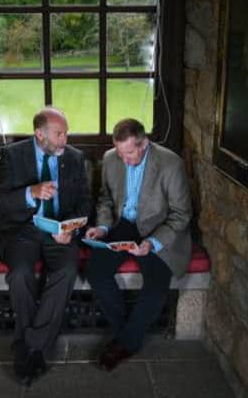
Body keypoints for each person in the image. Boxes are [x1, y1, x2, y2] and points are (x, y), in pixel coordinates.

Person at [0, 107, 91, 385]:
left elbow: (83, 202)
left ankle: (29, 346)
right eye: (59, 134)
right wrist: (31, 193)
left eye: (66, 133)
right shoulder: (13, 155)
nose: (64, 139)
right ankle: (37, 347)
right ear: (39, 133)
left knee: (67, 272)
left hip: (59, 232)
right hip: (23, 230)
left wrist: (70, 228)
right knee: (20, 274)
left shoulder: (74, 158)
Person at [85, 118, 192, 371]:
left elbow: (181, 214)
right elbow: (106, 199)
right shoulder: (111, 158)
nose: (124, 159)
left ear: (144, 144)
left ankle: (123, 343)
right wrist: (102, 227)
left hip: (159, 228)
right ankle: (129, 334)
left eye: (130, 153)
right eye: (120, 152)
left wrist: (152, 244)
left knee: (156, 286)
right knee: (95, 271)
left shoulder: (170, 164)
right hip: (124, 224)